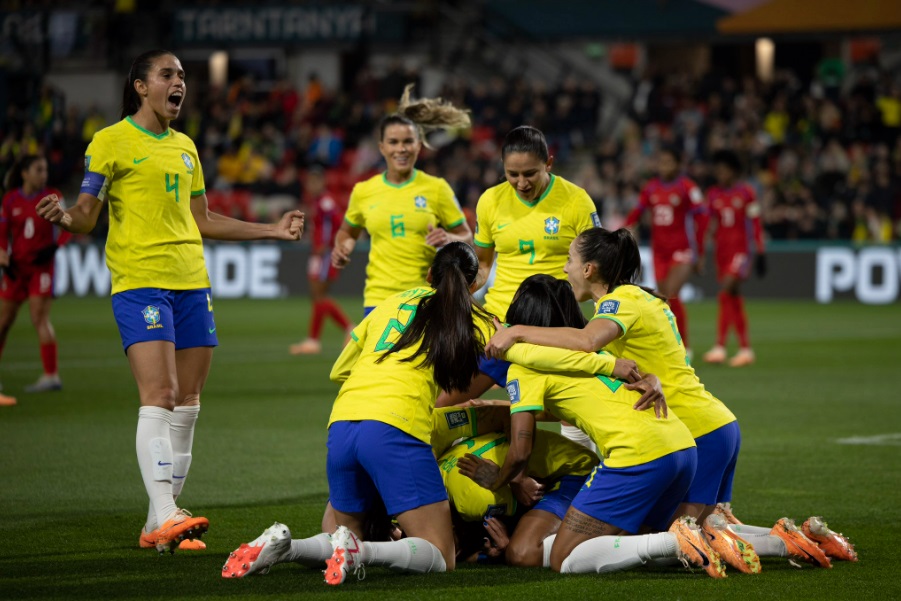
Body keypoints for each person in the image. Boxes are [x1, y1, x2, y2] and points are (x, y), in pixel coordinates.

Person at [36, 49, 304, 554]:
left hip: (192, 282)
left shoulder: (186, 147)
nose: (178, 82)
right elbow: (87, 214)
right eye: (167, 74)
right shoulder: (110, 141)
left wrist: (271, 229)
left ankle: (160, 518)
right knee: (159, 395)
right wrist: (64, 217)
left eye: (182, 76)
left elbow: (202, 219)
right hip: (141, 282)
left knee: (188, 404)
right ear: (140, 86)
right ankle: (165, 512)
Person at [484, 229, 832, 570]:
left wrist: (515, 331)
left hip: (688, 429)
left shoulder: (620, 303)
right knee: (702, 528)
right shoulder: (641, 298)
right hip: (705, 424)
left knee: (675, 536)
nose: (565, 268)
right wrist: (653, 379)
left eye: (569, 260)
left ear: (589, 269)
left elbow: (587, 342)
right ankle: (787, 539)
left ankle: (782, 542)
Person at [223, 242, 494, 585]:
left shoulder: (390, 303)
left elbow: (340, 370)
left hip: (342, 423)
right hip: (394, 427)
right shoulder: (471, 317)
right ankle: (360, 553)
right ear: (473, 284)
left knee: (342, 534)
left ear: (428, 274)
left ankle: (286, 547)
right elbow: (501, 350)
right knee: (440, 553)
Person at [459, 274, 733, 577]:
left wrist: (496, 480)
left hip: (638, 454)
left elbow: (521, 452)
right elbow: (591, 400)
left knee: (564, 557)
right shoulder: (600, 353)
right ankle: (762, 541)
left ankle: (673, 542)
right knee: (630, 542)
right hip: (682, 446)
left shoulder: (525, 367)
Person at [453, 125, 604, 449]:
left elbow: (597, 268)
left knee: (574, 410)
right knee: (445, 402)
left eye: (530, 173)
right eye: (513, 174)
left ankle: (580, 479)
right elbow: (482, 265)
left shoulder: (576, 201)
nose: (521, 183)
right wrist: (457, 296)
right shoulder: (490, 201)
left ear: (548, 163)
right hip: (499, 324)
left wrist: (604, 317)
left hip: (556, 325)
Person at [332, 85, 472, 317]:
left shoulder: (437, 188)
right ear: (382, 147)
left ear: (419, 145)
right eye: (394, 142)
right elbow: (347, 232)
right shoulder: (364, 191)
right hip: (378, 300)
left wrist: (449, 239)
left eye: (408, 141)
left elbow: (466, 236)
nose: (401, 149)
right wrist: (343, 246)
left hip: (425, 298)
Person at [0, 154, 70, 404]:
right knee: (4, 321)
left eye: (45, 170)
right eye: (39, 170)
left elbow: (68, 225)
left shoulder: (53, 196)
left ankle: (51, 375)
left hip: (42, 268)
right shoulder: (10, 200)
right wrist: (4, 258)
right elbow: (2, 233)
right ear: (25, 173)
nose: (44, 174)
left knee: (39, 318)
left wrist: (55, 247)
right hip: (17, 268)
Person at [624, 146, 704, 357]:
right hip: (659, 252)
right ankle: (671, 343)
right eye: (661, 162)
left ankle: (684, 347)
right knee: (664, 300)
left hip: (682, 250)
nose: (664, 166)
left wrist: (700, 252)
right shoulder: (651, 188)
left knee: (672, 295)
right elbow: (637, 212)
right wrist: (626, 230)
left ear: (678, 165)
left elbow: (702, 218)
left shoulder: (687, 187)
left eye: (668, 162)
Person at [699, 150, 766, 367]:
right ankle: (746, 349)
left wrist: (761, 251)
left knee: (726, 291)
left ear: (734, 171)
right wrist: (701, 248)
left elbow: (755, 223)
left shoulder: (747, 193)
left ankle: (720, 346)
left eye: (724, 170)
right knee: (734, 299)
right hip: (722, 252)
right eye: (718, 170)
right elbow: (707, 223)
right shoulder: (714, 194)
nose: (720, 174)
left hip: (741, 251)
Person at [290, 167, 353, 354]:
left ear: (322, 183)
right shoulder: (317, 202)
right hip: (319, 253)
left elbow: (338, 223)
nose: (311, 185)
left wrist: (326, 244)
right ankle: (315, 340)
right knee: (317, 297)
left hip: (324, 254)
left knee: (319, 295)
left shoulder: (325, 203)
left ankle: (348, 329)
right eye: (309, 182)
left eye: (314, 181)